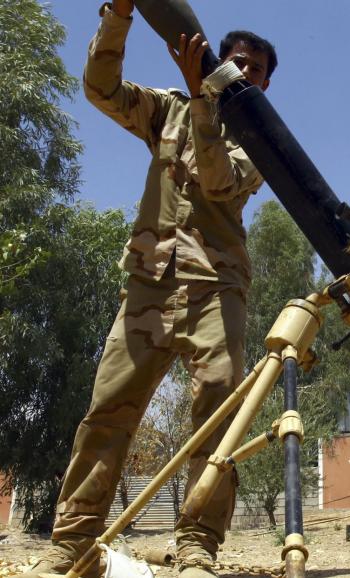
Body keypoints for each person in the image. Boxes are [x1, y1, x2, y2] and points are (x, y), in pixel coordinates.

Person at [18, 1, 276, 577]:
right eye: (236, 61)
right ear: (213, 58)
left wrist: (207, 102)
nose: (246, 72)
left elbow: (218, 183)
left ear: (265, 83)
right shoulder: (168, 109)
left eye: (257, 70)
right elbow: (100, 87)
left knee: (217, 411)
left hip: (217, 286)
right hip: (148, 284)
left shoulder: (262, 139)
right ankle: (73, 542)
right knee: (108, 411)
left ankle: (197, 548)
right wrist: (121, 17)